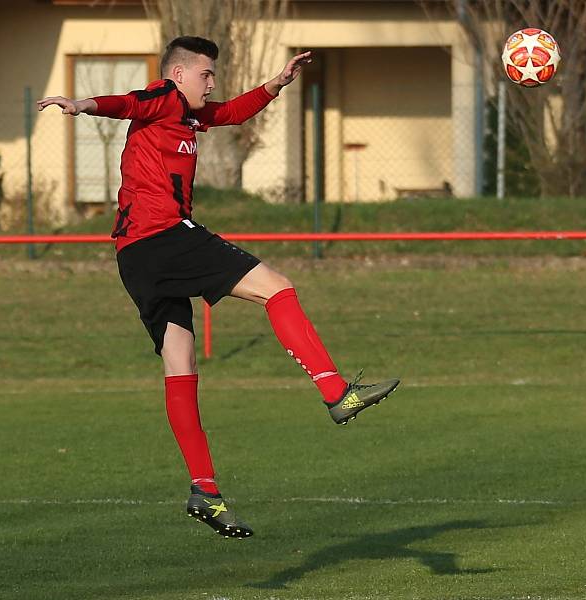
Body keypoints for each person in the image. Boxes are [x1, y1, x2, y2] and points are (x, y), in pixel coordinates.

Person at [37, 36, 399, 540]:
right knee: (276, 287)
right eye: (206, 74)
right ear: (180, 74)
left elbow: (230, 113)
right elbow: (126, 104)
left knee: (180, 363)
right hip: (161, 236)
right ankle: (336, 392)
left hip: (135, 256)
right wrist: (81, 105)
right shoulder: (164, 96)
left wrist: (274, 85)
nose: (212, 82)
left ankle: (205, 492)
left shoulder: (187, 115)